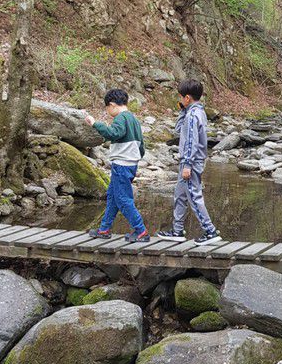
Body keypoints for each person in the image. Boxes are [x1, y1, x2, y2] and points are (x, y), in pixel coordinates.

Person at [157, 78, 222, 245]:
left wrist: (187, 164)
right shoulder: (194, 112)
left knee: (194, 196)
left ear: (187, 97)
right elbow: (179, 130)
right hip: (189, 161)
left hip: (191, 162)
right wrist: (182, 111)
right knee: (180, 195)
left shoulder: (193, 115)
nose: (179, 99)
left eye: (181, 97)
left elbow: (192, 142)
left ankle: (210, 231)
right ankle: (177, 230)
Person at [84, 88, 149, 243]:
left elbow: (113, 133)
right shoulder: (133, 119)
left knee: (123, 199)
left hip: (122, 165)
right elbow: (142, 146)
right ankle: (104, 229)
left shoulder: (120, 118)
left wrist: (95, 124)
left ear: (112, 105)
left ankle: (141, 231)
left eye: (107, 108)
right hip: (130, 164)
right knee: (113, 197)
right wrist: (135, 158)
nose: (107, 111)